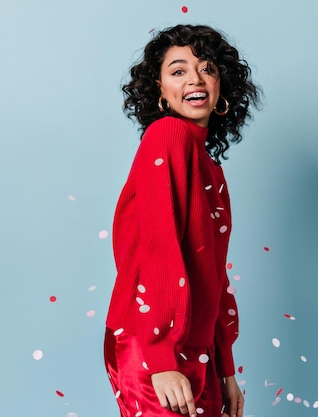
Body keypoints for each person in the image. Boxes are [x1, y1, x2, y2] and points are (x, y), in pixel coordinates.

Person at [104, 24, 260, 417]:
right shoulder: (167, 135)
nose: (195, 78)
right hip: (153, 344)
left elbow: (212, 274)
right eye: (178, 71)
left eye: (207, 68)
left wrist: (224, 367)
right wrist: (160, 356)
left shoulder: (210, 168)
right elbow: (159, 248)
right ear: (159, 91)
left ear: (222, 85)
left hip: (197, 347)